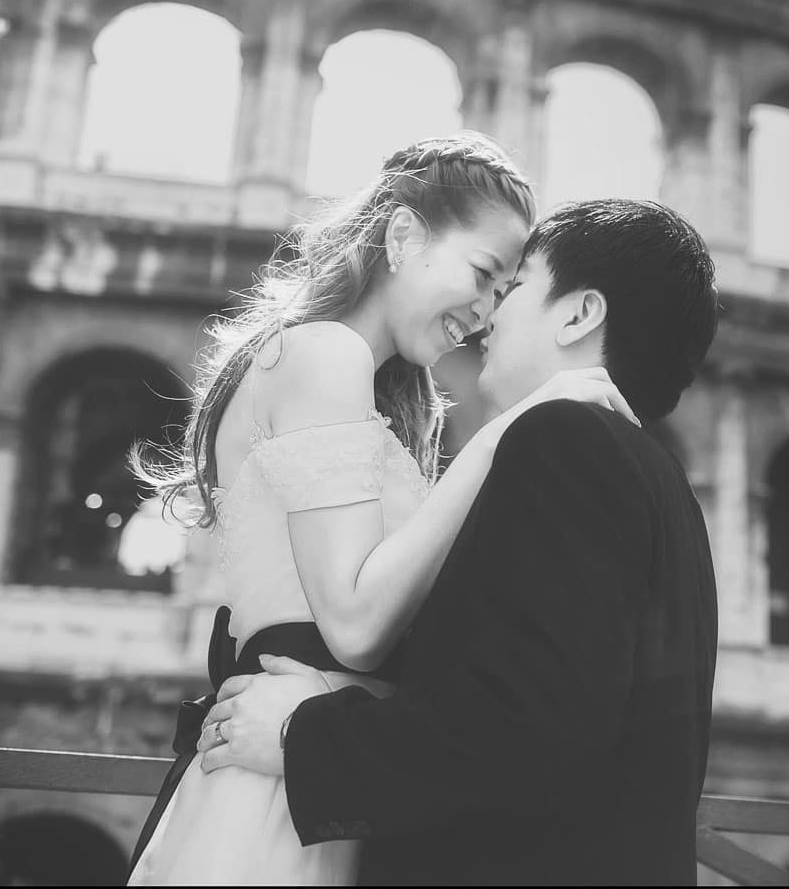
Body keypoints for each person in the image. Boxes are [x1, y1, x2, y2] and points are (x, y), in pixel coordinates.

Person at [125, 134, 638, 885]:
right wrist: (508, 435)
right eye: (483, 273)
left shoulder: (358, 383)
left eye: (504, 291)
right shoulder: (325, 354)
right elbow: (358, 625)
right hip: (285, 795)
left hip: (324, 782)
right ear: (403, 236)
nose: (489, 311)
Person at [196, 198, 722, 885]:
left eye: (517, 284)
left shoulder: (559, 443)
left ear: (579, 313)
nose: (491, 313)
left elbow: (523, 728)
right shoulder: (663, 484)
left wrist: (304, 736)